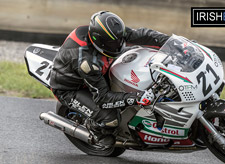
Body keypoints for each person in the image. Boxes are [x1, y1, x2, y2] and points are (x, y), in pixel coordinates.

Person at [50, 11, 170, 149]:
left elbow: (143, 35)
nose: (118, 44)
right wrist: (137, 97)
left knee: (137, 56)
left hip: (94, 74)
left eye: (119, 39)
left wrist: (173, 44)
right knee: (110, 119)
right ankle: (94, 129)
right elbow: (102, 98)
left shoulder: (109, 34)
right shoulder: (87, 63)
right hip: (71, 89)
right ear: (99, 40)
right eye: (112, 43)